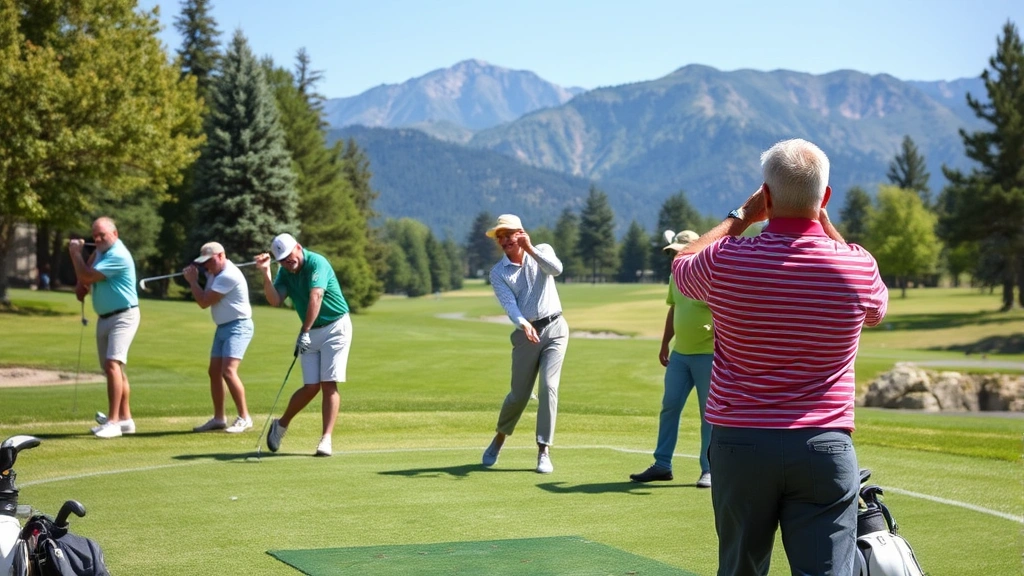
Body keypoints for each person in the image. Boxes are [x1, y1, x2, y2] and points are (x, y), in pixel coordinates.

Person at [670, 139, 888, 576]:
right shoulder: (857, 265)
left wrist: (741, 216)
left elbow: (680, 263)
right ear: (824, 198)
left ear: (765, 196)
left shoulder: (725, 260)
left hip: (739, 442)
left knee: (740, 569)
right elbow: (875, 313)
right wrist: (827, 227)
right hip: (824, 445)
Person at [480, 214, 568, 474]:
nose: (505, 240)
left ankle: (543, 450)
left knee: (549, 387)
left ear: (521, 233)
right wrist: (523, 323)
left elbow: (556, 270)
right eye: (501, 236)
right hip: (525, 334)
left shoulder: (541, 250)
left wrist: (530, 249)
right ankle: (499, 437)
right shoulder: (498, 272)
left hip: (555, 328)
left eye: (509, 234)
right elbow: (509, 305)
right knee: (518, 396)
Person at [630, 230, 714, 488]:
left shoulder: (711, 276)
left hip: (708, 356)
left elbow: (728, 308)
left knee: (708, 415)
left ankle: (709, 469)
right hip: (681, 355)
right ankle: (662, 464)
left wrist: (717, 330)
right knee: (670, 406)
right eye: (672, 253)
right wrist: (665, 342)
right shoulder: (675, 277)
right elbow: (674, 309)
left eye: (679, 252)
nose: (674, 257)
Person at [255, 233, 352, 457]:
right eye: (283, 261)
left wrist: (305, 331)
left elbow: (316, 296)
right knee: (311, 387)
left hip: (335, 327)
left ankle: (326, 439)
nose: (288, 263)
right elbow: (275, 300)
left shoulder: (318, 263)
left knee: (328, 384)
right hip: (309, 331)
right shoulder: (285, 272)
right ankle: (281, 425)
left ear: (298, 248)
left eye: (290, 257)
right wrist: (266, 274)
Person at [68, 217, 141, 439]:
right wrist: (83, 285)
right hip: (106, 317)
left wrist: (74, 254)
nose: (98, 239)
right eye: (95, 236)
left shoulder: (118, 254)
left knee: (112, 365)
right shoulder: (101, 251)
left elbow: (87, 274)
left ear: (115, 234)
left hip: (124, 315)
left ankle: (113, 422)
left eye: (103, 235)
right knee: (115, 369)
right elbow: (88, 275)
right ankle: (126, 420)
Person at [184, 242, 254, 434]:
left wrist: (192, 281)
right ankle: (219, 418)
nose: (207, 266)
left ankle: (245, 417)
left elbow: (204, 302)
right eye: (204, 262)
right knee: (214, 372)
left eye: (210, 261)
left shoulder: (228, 275)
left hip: (238, 326)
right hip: (223, 327)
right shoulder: (214, 273)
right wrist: (205, 277)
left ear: (222, 256)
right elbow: (208, 292)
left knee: (228, 371)